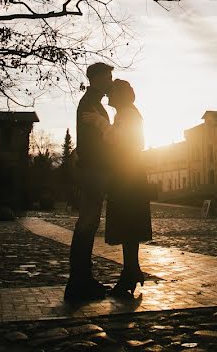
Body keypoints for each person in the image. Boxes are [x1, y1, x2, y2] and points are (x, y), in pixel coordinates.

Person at [86, 78, 152, 297]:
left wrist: (98, 122)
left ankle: (130, 274)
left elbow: (121, 140)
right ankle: (132, 272)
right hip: (128, 175)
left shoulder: (128, 113)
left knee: (128, 225)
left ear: (121, 94)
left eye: (112, 92)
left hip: (128, 176)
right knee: (128, 227)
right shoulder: (126, 112)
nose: (108, 96)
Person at [64, 62, 114, 302]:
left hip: (94, 170)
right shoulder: (90, 104)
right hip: (93, 171)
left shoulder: (94, 103)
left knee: (89, 224)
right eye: (108, 77)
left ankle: (83, 278)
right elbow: (92, 144)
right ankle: (78, 281)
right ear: (95, 79)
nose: (110, 82)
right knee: (86, 224)